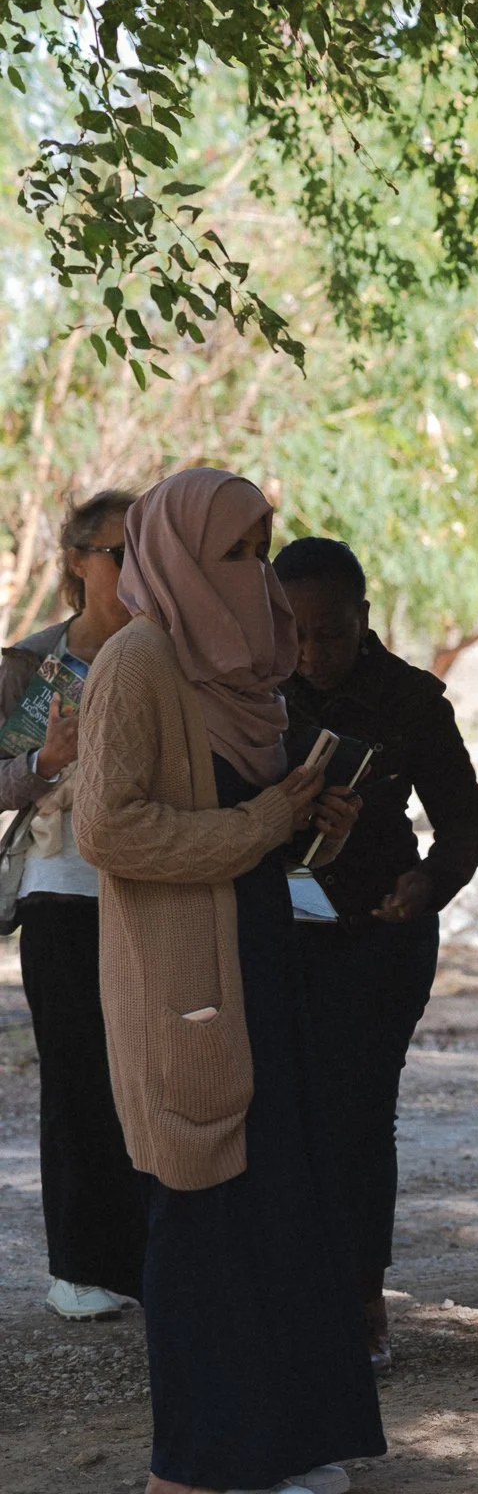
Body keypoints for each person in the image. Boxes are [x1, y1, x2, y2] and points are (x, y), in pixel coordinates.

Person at [72, 466, 379, 1494]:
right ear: (175, 556)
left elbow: (245, 844)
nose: (258, 574)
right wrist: (263, 823)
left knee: (275, 1220)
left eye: (260, 551)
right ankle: (193, 1472)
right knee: (203, 1233)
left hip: (261, 970)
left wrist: (308, 832)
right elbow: (109, 829)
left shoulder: (238, 678)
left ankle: (275, 1450)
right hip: (186, 994)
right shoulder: (138, 661)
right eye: (235, 553)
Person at [277, 536, 478, 1371]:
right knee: (282, 1112)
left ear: (364, 618)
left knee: (360, 1115)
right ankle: (293, 1292)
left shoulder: (410, 700)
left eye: (328, 632)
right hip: (277, 925)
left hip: (381, 927)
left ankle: (363, 1297)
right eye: (292, 633)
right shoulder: (252, 693)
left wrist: (427, 885)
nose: (311, 653)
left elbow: (467, 822)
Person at [5, 490, 146, 1321]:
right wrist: (45, 764)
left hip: (155, 888)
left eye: (146, 555)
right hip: (62, 891)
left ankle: (149, 1254)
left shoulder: (176, 654)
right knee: (76, 1077)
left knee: (149, 1071)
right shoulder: (35, 664)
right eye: (120, 554)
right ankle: (79, 1267)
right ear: (76, 561)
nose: (134, 572)